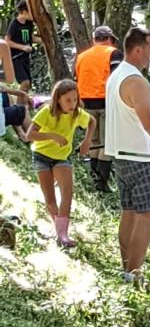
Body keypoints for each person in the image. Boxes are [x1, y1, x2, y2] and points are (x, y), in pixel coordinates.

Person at [104, 27, 150, 280]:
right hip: (143, 156)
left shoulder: (117, 75)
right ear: (138, 49)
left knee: (130, 211)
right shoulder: (135, 81)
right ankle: (133, 271)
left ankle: (127, 268)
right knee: (147, 214)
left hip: (124, 154)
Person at [25, 79, 95, 247]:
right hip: (41, 155)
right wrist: (52, 136)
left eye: (75, 99)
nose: (72, 104)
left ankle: (63, 234)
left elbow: (92, 122)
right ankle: (58, 227)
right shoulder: (46, 112)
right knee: (50, 198)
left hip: (62, 157)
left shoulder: (77, 114)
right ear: (58, 99)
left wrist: (87, 142)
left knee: (67, 191)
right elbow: (29, 135)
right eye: (68, 100)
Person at [74, 24, 122, 192]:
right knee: (106, 144)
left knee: (94, 142)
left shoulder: (81, 56)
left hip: (86, 103)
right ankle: (102, 182)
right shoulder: (113, 53)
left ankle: (94, 178)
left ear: (94, 40)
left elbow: (76, 79)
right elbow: (118, 79)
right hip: (106, 102)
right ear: (109, 39)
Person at [6, 1, 39, 91]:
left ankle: (23, 103)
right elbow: (7, 41)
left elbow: (32, 38)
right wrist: (22, 47)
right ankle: (18, 104)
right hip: (15, 58)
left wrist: (45, 40)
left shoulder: (29, 23)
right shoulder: (14, 24)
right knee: (25, 82)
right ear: (24, 12)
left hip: (26, 58)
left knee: (28, 85)